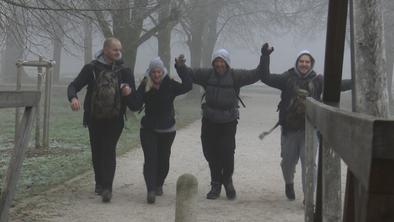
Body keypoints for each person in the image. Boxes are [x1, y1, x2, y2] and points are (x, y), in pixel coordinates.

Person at [260, 43, 351, 201]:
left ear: (311, 64)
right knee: (287, 163)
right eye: (301, 61)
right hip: (289, 130)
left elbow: (339, 85)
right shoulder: (286, 78)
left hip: (310, 131)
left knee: (309, 163)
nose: (304, 64)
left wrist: (357, 79)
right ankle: (289, 183)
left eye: (307, 61)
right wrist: (265, 56)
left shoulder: (319, 81)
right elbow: (266, 77)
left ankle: (308, 196)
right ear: (297, 63)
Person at [174, 48, 265, 200]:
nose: (219, 64)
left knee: (227, 152)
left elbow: (257, 73)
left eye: (222, 61)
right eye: (217, 61)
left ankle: (227, 180)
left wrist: (264, 56)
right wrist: (180, 66)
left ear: (227, 63)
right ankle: (216, 183)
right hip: (209, 120)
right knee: (210, 152)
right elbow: (189, 73)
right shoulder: (207, 75)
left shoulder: (236, 76)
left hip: (228, 121)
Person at [67, 37, 138, 203]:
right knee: (97, 150)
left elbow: (133, 98)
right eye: (115, 49)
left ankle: (107, 188)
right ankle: (99, 182)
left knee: (108, 149)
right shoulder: (91, 68)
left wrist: (128, 92)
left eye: (119, 49)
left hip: (115, 118)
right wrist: (73, 98)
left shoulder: (125, 70)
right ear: (105, 50)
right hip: (94, 117)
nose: (118, 52)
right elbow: (73, 86)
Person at [133, 57, 192, 204]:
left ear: (163, 71)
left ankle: (159, 184)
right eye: (154, 72)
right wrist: (127, 93)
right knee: (151, 159)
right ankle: (151, 190)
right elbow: (135, 104)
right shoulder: (145, 83)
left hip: (167, 129)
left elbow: (188, 86)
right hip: (149, 128)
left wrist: (181, 67)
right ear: (150, 72)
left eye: (159, 72)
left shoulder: (169, 84)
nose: (157, 75)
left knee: (163, 160)